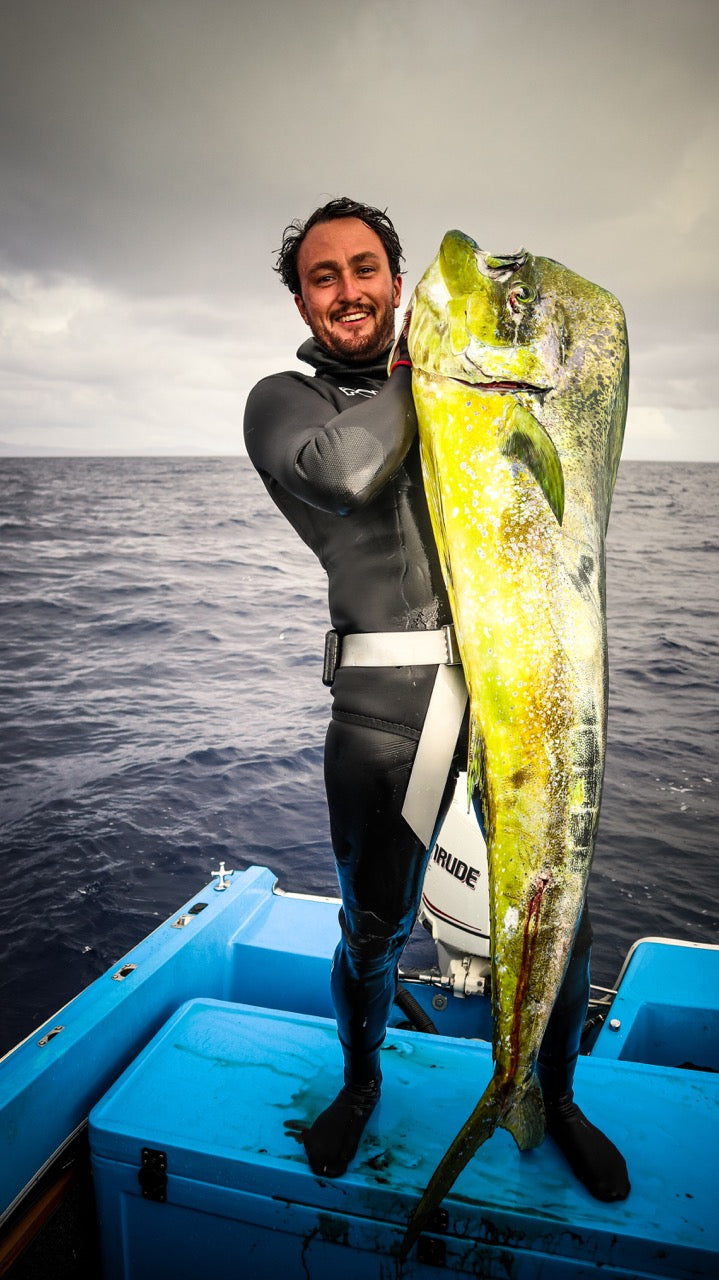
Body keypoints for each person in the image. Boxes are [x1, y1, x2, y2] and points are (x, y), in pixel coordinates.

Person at [243, 196, 629, 1202]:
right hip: (388, 711)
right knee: (375, 927)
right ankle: (361, 1076)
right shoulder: (287, 401)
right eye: (321, 276)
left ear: (397, 280)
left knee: (565, 917)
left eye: (363, 268)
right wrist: (432, 363)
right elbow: (348, 473)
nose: (346, 291)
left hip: (520, 697)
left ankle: (553, 1093)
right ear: (300, 297)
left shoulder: (465, 391)